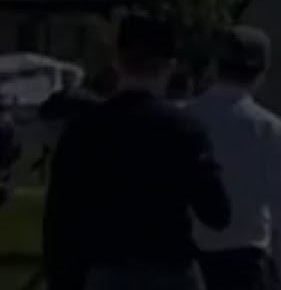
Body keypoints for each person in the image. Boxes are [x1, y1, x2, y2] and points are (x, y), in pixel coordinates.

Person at [43, 15, 231, 290]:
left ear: (117, 62)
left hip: (107, 270)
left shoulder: (85, 128)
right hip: (171, 269)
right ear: (170, 67)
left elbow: (61, 215)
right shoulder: (185, 129)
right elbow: (217, 214)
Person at [186, 26, 281, 290]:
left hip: (189, 262)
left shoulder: (186, 117)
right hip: (245, 262)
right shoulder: (269, 128)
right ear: (261, 74)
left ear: (215, 67)